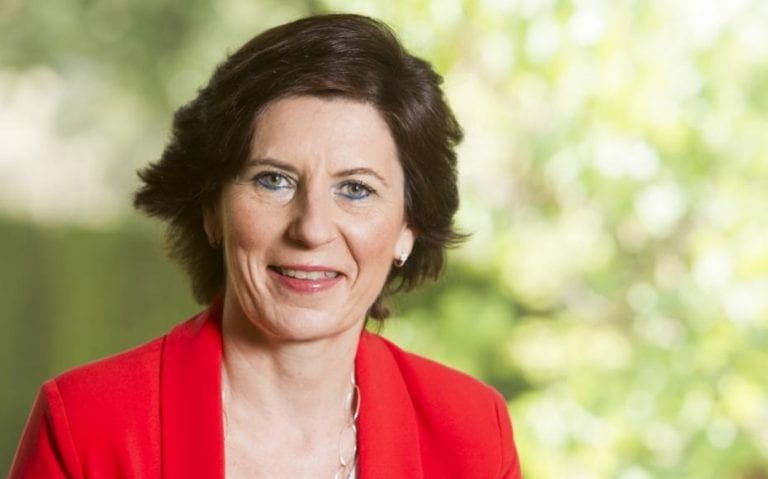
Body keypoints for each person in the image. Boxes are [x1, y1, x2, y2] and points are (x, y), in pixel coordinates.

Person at [9, 13, 521, 478]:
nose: (312, 229)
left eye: (356, 189)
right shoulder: (86, 426)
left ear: (409, 226)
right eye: (274, 180)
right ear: (212, 208)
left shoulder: (474, 434)